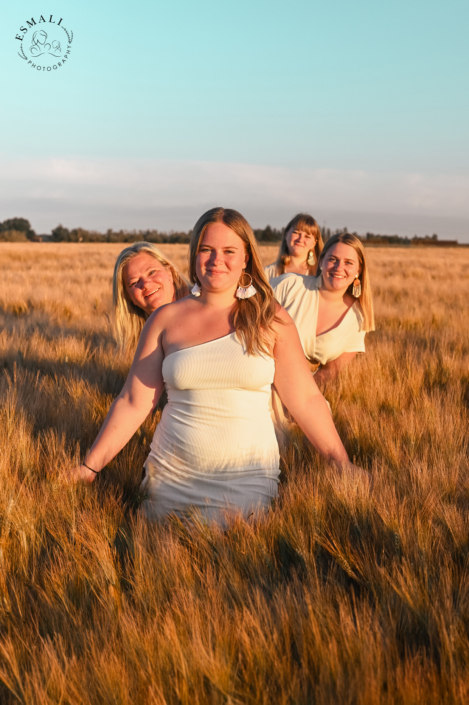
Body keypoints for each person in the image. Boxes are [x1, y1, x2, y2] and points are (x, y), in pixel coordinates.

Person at [71, 209, 364, 526]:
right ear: (194, 255)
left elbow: (306, 400)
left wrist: (342, 464)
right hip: (170, 477)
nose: (216, 260)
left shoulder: (271, 318)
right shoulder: (164, 320)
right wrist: (89, 468)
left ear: (246, 258)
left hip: (248, 481)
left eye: (228, 251)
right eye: (206, 250)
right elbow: (133, 401)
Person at [271, 233, 374, 386]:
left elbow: (328, 372)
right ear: (321, 262)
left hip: (304, 393)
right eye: (333, 259)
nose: (339, 268)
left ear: (359, 270)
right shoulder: (290, 285)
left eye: (348, 263)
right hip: (258, 381)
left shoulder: (358, 318)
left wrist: (298, 400)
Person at [113, 242, 189, 353]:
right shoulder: (135, 348)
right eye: (134, 283)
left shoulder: (206, 305)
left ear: (170, 273)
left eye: (152, 272)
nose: (146, 284)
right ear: (128, 297)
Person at [264, 213, 324, 281]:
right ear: (286, 234)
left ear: (314, 243)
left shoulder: (322, 275)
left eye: (307, 236)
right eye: (296, 233)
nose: (300, 240)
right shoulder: (267, 274)